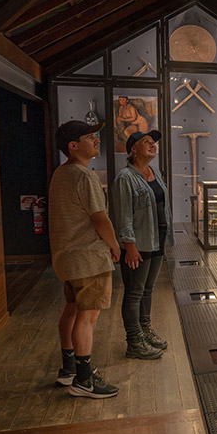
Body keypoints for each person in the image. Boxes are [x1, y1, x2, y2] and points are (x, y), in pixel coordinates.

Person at [49, 121, 121, 398]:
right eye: (91, 136)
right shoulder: (84, 176)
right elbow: (100, 218)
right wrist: (114, 246)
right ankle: (85, 380)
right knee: (87, 318)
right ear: (73, 145)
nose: (96, 140)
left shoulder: (60, 173)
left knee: (72, 310)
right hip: (89, 257)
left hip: (67, 257)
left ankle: (68, 370)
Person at [110, 130, 173, 360]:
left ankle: (146, 330)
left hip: (157, 239)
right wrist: (130, 246)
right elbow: (123, 215)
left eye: (153, 142)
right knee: (134, 292)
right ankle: (134, 341)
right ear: (133, 149)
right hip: (138, 244)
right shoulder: (125, 178)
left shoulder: (154, 171)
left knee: (148, 289)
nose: (152, 144)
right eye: (146, 142)